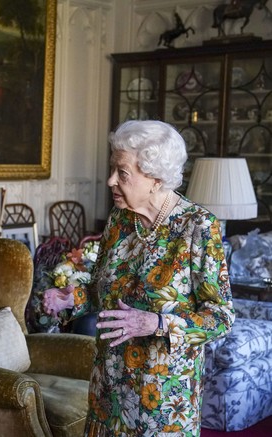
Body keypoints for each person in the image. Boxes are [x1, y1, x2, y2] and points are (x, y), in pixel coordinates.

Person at [83, 120, 234, 436]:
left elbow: (221, 317)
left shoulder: (199, 227)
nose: (111, 180)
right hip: (108, 390)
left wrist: (157, 324)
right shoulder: (120, 221)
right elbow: (99, 287)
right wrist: (69, 297)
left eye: (122, 173)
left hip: (162, 398)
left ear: (156, 179)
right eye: (113, 169)